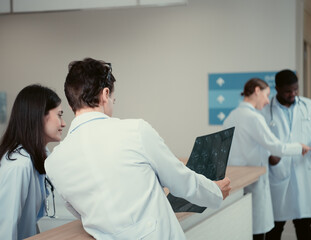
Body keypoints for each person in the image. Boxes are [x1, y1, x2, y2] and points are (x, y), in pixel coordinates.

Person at [45, 57, 231, 239]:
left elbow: (79, 211)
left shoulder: (53, 162)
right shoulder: (135, 131)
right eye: (113, 100)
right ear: (105, 94)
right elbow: (180, 181)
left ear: (70, 104)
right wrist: (215, 192)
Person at [0, 84, 66, 240]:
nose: (63, 123)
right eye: (59, 115)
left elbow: (27, 219)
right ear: (39, 116)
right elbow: (5, 226)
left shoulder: (38, 155)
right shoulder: (19, 165)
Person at [223, 78, 311, 240]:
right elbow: (277, 147)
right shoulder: (253, 117)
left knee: (242, 229)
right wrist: (300, 147)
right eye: (266, 95)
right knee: (257, 232)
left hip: (237, 181)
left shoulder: (232, 115)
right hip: (254, 182)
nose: (266, 101)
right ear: (257, 91)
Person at [262, 70, 311, 240]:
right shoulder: (265, 110)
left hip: (302, 170)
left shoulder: (309, 106)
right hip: (277, 172)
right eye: (288, 91)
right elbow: (261, 141)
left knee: (304, 224)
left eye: (296, 90)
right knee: (274, 226)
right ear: (277, 88)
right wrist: (269, 157)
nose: (293, 94)